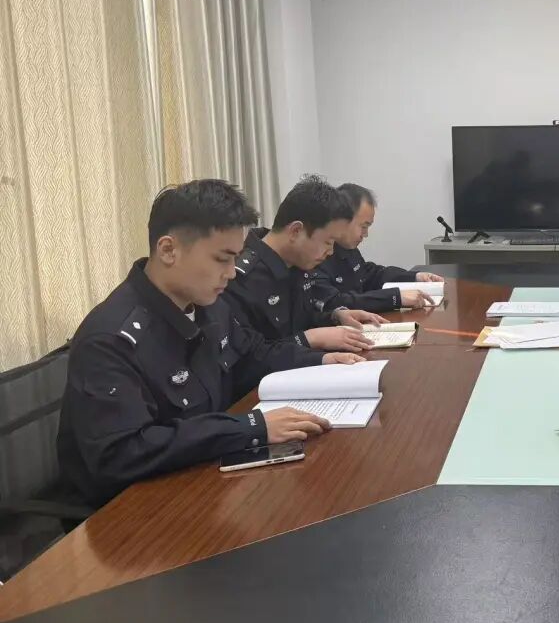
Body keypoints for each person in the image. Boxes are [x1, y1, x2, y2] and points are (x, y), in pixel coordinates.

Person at [57, 180, 362, 506]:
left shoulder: (209, 307)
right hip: (137, 512)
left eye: (235, 258)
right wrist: (248, 427)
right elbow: (123, 453)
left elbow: (254, 355)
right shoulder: (111, 339)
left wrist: (321, 360)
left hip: (204, 479)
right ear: (168, 250)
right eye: (222, 259)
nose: (231, 273)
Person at [224, 175, 386, 355]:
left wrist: (334, 317)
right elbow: (248, 357)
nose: (331, 252)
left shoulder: (299, 262)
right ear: (296, 231)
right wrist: (309, 339)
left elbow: (303, 320)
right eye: (328, 242)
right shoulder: (239, 276)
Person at [307, 183, 444, 315]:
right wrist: (395, 297)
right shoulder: (315, 255)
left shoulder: (348, 248)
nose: (365, 234)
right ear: (342, 220)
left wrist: (414, 277)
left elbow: (369, 275)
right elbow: (336, 303)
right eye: (363, 226)